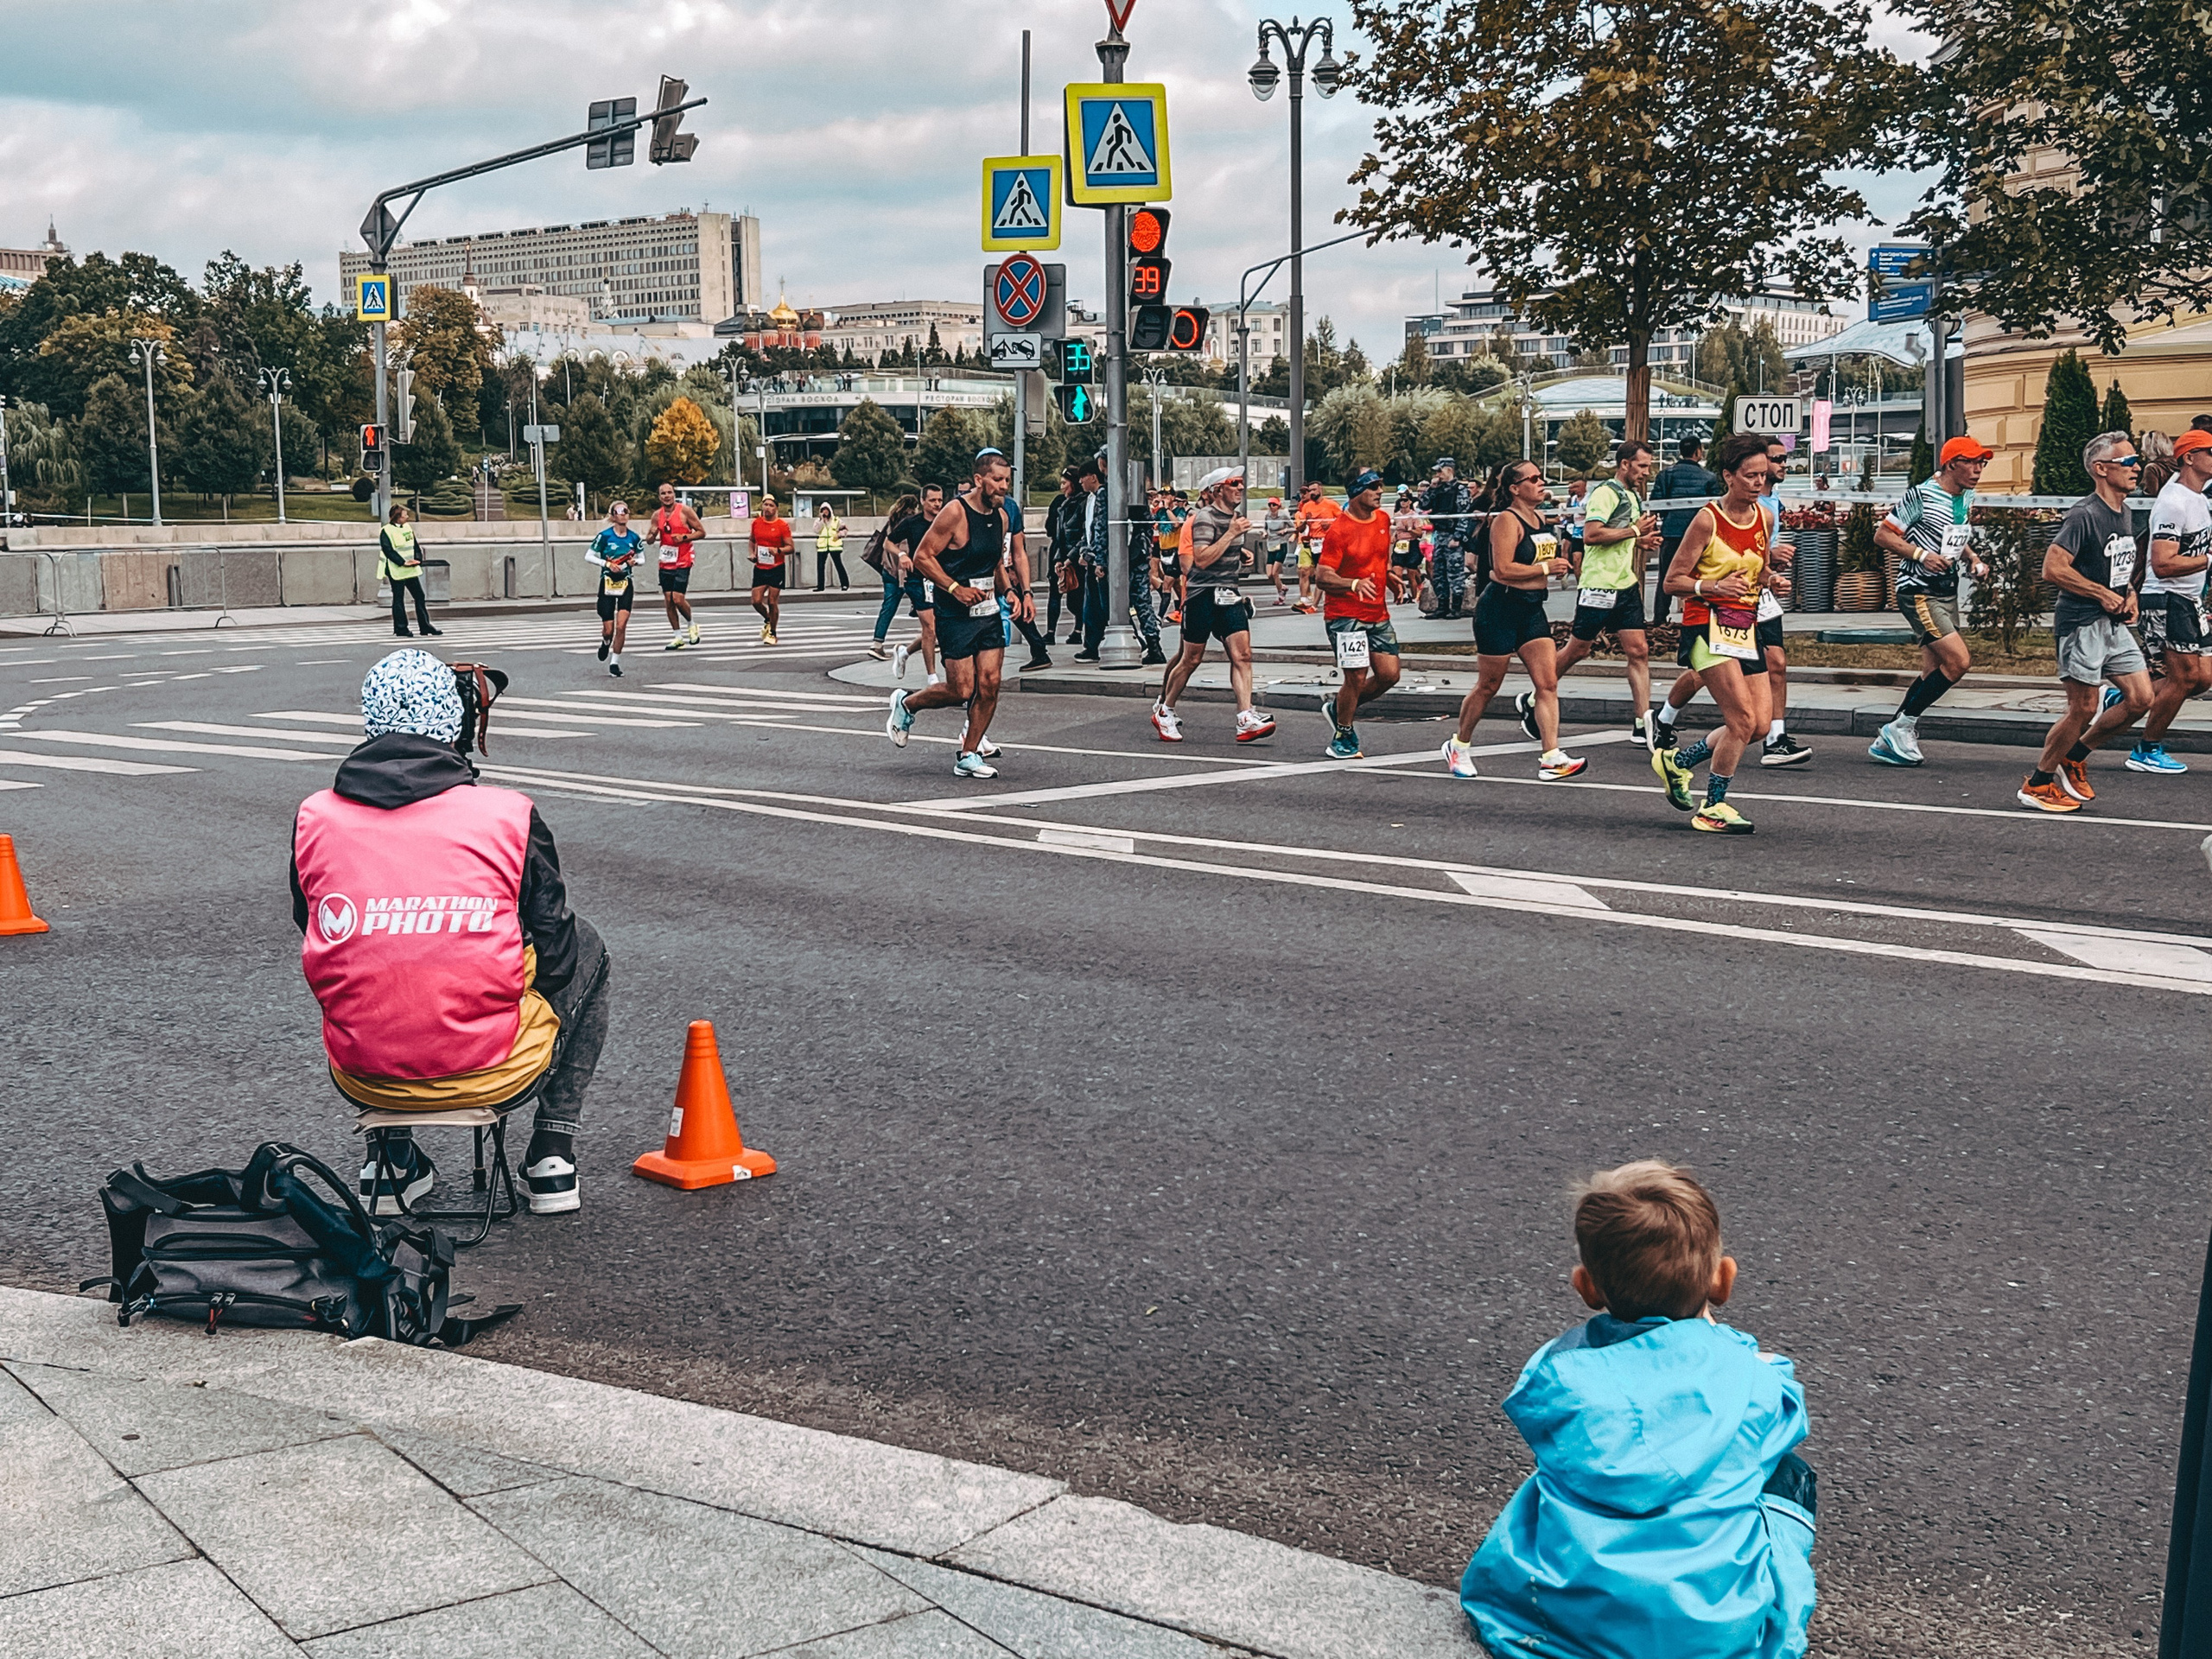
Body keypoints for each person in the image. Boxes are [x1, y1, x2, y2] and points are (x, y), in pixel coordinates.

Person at [291, 651, 611, 1218]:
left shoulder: (316, 817)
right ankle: (552, 1157)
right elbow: (558, 951)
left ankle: (389, 1165)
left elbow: (314, 929)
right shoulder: (507, 815)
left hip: (364, 1074)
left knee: (370, 961)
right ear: (454, 720)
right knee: (587, 948)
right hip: (495, 1068)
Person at [1459, 1160, 1815, 1659]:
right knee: (1787, 1473)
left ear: (1586, 1287)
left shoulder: (1559, 1375)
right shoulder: (1758, 1380)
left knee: (1563, 1472)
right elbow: (1785, 1418)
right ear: (1723, 1279)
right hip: (1710, 1642)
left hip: (1562, 1625)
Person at [2018, 430, 2155, 811]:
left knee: (2142, 698)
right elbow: (2053, 568)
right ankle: (2039, 783)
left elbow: (2117, 565)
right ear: (2101, 469)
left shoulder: (2124, 510)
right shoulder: (2084, 514)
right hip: (2081, 624)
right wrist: (2101, 594)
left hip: (2113, 624)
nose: (2136, 467)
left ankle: (2074, 755)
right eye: (2127, 462)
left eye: (2135, 460)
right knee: (2082, 708)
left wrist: (2129, 595)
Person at [1649, 434, 1778, 834]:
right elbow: (1672, 581)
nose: (1759, 482)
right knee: (1740, 719)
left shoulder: (1764, 518)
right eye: (1750, 475)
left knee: (1759, 725)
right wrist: (1712, 588)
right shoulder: (1707, 519)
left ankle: (1678, 762)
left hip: (1745, 626)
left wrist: (1774, 578)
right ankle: (1713, 806)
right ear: (1728, 476)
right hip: (1705, 626)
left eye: (1764, 475)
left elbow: (1760, 569)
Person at [1443, 459, 1588, 782]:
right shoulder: (1506, 521)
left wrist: (1553, 564)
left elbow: (1535, 560)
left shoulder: (1538, 518)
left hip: (1532, 608)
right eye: (1533, 478)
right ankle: (1458, 745)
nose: (1541, 482)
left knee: (1547, 683)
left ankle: (1551, 756)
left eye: (1541, 478)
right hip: (1499, 610)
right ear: (1514, 488)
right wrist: (1547, 569)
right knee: (1489, 685)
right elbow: (1504, 570)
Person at [887, 450, 1015, 779]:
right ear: (979, 480)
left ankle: (968, 754)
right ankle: (907, 703)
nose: (1003, 487)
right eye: (997, 480)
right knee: (961, 689)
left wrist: (1013, 592)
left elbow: (996, 563)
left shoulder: (1001, 517)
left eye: (1007, 481)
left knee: (991, 683)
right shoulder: (954, 513)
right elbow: (923, 557)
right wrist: (956, 588)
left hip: (986, 609)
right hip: (954, 612)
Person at [1867, 437, 1993, 766]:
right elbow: (1883, 535)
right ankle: (1903, 726)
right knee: (1959, 662)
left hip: (1945, 588)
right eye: (1972, 463)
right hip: (1918, 589)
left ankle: (1889, 737)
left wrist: (1973, 559)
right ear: (1951, 464)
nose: (1978, 470)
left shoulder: (1965, 495)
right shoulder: (1921, 496)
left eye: (1983, 463)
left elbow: (1956, 534)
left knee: (1933, 668)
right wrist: (1922, 555)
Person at [1152, 467, 1277, 745]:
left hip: (1228, 594)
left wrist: (1239, 552)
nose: (1241, 488)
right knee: (1191, 658)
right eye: (1234, 483)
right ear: (1218, 489)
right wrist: (1231, 536)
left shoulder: (1234, 518)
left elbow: (1220, 551)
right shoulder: (1205, 518)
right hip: (1202, 595)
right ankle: (1166, 709)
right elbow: (1202, 558)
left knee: (1242, 655)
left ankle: (1245, 716)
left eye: (1242, 483)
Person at [1549, 441, 1659, 748]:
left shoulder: (1631, 495)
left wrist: (1641, 542)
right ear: (1624, 464)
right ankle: (1536, 696)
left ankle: (1642, 722)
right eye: (1642, 466)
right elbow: (1592, 534)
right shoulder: (1606, 493)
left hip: (1625, 584)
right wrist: (1636, 532)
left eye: (1648, 466)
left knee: (1638, 650)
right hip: (1598, 585)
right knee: (1578, 650)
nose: (1646, 473)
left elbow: (1620, 533)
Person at [2126, 429, 2212, 773]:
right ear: (2189, 457)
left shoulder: (2200, 499)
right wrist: (2209, 560)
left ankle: (2125, 698)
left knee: (2204, 678)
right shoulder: (2173, 500)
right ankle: (2147, 749)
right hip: (2166, 598)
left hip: (2189, 598)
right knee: (2184, 677)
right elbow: (2162, 564)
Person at [1314, 469, 1402, 760]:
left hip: (1377, 612)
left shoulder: (1383, 520)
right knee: (1356, 676)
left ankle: (1340, 706)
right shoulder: (1339, 531)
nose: (1380, 491)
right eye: (1373, 487)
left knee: (1390, 675)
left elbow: (1379, 558)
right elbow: (1323, 576)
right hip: (1344, 615)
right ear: (1356, 492)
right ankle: (1343, 731)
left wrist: (1389, 576)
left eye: (1381, 485)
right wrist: (1352, 583)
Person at [1649, 436, 1719, 628]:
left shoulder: (1666, 475)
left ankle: (1659, 620)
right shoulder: (1709, 477)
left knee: (1666, 577)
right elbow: (1714, 508)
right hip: (1700, 536)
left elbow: (1656, 503)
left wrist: (1669, 517)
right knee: (1701, 577)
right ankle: (1701, 619)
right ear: (1698, 452)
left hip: (1671, 532)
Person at [888, 485, 945, 683]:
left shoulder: (946, 521)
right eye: (933, 500)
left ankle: (905, 651)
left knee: (940, 628)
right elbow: (888, 542)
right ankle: (932, 676)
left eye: (939, 500)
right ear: (922, 501)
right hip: (918, 579)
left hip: (941, 578)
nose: (937, 504)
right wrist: (902, 554)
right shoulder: (912, 523)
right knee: (930, 627)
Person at [586, 501, 643, 679]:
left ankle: (615, 662)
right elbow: (588, 556)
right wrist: (607, 564)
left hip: (626, 583)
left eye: (625, 510)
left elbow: (642, 558)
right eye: (619, 511)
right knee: (608, 629)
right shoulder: (604, 536)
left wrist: (635, 562)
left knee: (621, 625)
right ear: (612, 516)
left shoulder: (634, 538)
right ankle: (605, 642)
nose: (623, 514)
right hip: (608, 583)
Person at [1419, 457, 1478, 619]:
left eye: (1440, 471)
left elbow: (1464, 515)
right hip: (1440, 535)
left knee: (1455, 573)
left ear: (1449, 470)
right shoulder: (1437, 489)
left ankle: (1456, 608)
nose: (1438, 474)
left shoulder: (1460, 489)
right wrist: (1431, 488)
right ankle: (1442, 607)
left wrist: (1458, 536)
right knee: (1439, 573)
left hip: (1453, 535)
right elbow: (1423, 505)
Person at [648, 482, 705, 651]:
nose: (667, 496)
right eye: (663, 493)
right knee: (668, 600)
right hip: (666, 560)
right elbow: (650, 539)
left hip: (683, 559)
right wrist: (651, 535)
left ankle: (691, 624)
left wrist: (685, 537)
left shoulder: (685, 511)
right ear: (659, 497)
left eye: (670, 492)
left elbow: (702, 532)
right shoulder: (657, 515)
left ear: (674, 494)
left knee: (677, 598)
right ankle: (677, 636)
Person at [380, 505, 442, 639]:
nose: (407, 517)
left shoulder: (408, 528)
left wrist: (418, 559)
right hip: (396, 570)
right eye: (404, 515)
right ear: (397, 517)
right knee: (398, 599)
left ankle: (425, 626)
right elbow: (388, 550)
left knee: (419, 595)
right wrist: (402, 562)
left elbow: (415, 545)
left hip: (410, 568)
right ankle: (401, 628)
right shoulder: (387, 531)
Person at [748, 495, 795, 645]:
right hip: (760, 567)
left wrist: (778, 550)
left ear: (776, 508)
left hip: (776, 567)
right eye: (765, 505)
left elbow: (791, 548)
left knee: (772, 601)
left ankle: (773, 633)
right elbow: (752, 540)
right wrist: (752, 553)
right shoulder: (756, 523)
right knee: (756, 601)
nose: (767, 508)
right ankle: (768, 618)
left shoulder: (782, 525)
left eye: (770, 505)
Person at [1292, 480, 1339, 613]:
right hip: (1314, 544)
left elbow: (1343, 521)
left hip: (1328, 542)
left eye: (1314, 490)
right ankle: (1319, 601)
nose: (1312, 493)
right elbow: (1300, 529)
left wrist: (1331, 525)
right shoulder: (1307, 507)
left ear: (1320, 489)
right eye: (1310, 490)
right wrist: (1305, 522)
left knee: (1321, 574)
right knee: (1314, 574)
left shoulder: (1331, 504)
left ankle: (1314, 605)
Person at [811, 499, 851, 591]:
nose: (825, 512)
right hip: (822, 546)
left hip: (834, 545)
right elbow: (816, 530)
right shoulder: (818, 521)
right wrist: (822, 520)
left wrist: (839, 535)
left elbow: (845, 530)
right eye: (823, 510)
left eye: (826, 510)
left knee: (839, 565)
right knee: (820, 567)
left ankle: (845, 584)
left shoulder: (837, 520)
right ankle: (820, 586)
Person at [1263, 496, 1293, 604]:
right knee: (1269, 575)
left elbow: (1294, 527)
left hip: (1281, 544)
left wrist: (1286, 530)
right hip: (1271, 545)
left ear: (1278, 506)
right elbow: (1265, 527)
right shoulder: (1267, 516)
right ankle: (1283, 587)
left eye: (1274, 505)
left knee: (1275, 572)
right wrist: (1265, 533)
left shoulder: (1283, 515)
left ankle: (1281, 594)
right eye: (1270, 505)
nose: (1272, 507)